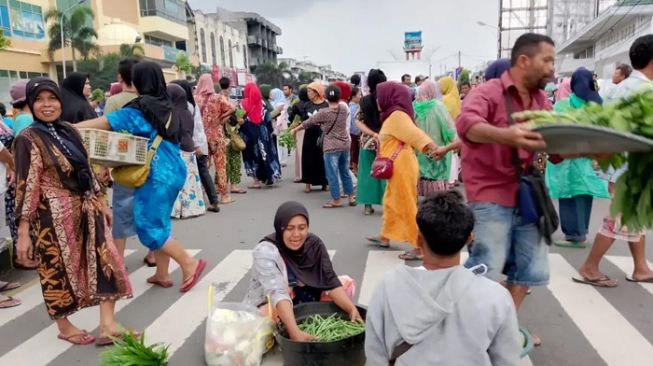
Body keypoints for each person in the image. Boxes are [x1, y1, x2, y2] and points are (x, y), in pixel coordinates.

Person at [15, 77, 133, 346]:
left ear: (61, 101)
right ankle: (65, 326)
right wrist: (23, 232)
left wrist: (101, 202)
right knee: (55, 270)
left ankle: (108, 325)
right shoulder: (28, 138)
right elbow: (28, 184)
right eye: (40, 100)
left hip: (87, 207)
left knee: (108, 261)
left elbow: (87, 168)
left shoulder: (69, 130)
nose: (47, 105)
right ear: (31, 105)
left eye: (52, 99)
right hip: (51, 218)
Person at [457, 33, 556, 345]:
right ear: (524, 61)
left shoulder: (541, 101)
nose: (553, 69)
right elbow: (468, 125)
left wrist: (592, 148)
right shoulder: (486, 93)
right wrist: (506, 135)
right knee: (487, 264)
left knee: (530, 267)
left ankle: (501, 327)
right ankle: (464, 330)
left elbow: (555, 142)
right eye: (548, 60)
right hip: (490, 192)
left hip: (527, 193)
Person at [76, 61, 207, 293]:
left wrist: (68, 127)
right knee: (161, 223)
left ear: (137, 81)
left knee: (147, 226)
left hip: (154, 175)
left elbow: (104, 123)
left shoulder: (139, 109)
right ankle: (162, 273)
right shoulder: (168, 106)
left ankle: (189, 263)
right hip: (175, 171)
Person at [365, 192, 520, 366]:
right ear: (469, 239)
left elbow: (375, 353)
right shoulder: (496, 297)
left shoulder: (389, 286)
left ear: (418, 239)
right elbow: (508, 359)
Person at [576, 35, 653, 287]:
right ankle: (590, 267)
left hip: (617, 164)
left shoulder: (615, 89)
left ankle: (641, 267)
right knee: (620, 217)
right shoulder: (646, 91)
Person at [243, 201, 361, 342]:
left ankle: (302, 322)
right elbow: (277, 293)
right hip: (276, 303)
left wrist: (350, 308)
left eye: (302, 228)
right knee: (265, 322)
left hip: (305, 298)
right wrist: (294, 332)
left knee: (345, 284)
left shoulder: (313, 244)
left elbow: (329, 280)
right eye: (289, 228)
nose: (296, 235)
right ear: (280, 229)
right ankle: (291, 326)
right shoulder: (265, 251)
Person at [366, 81, 440, 260]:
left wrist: (434, 148)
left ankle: (419, 247)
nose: (377, 99)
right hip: (397, 166)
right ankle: (385, 236)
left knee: (406, 205)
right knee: (391, 201)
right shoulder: (393, 115)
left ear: (390, 97)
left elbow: (416, 135)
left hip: (402, 167)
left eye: (380, 96)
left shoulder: (397, 116)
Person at [546, 67, 610, 249]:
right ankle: (581, 232)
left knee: (568, 196)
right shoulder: (597, 104)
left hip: (567, 158)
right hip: (587, 159)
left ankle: (573, 235)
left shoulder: (563, 105)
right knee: (583, 195)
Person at [291, 85, 355, 208]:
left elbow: (307, 123)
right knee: (345, 172)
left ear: (326, 96)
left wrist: (295, 129)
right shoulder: (343, 108)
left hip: (330, 146)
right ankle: (351, 197)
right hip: (344, 144)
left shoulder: (323, 113)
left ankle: (336, 200)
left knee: (332, 174)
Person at [413, 80, 460, 196]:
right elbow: (450, 129)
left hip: (419, 153)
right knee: (437, 192)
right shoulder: (438, 106)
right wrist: (455, 143)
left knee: (420, 180)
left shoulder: (413, 107)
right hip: (439, 151)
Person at [195, 74, 235, 204]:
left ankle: (202, 195)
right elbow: (232, 108)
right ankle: (224, 196)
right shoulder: (218, 98)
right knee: (221, 165)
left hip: (201, 137)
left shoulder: (196, 98)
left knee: (203, 168)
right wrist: (222, 119)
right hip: (217, 134)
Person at [168, 83, 206, 219]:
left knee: (179, 181)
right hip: (189, 148)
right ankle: (193, 208)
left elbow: (174, 133)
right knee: (190, 180)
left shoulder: (173, 114)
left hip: (179, 149)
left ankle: (178, 210)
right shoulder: (187, 111)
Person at [355, 69, 387, 216]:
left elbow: (358, 121)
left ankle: (368, 206)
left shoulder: (364, 101)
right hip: (387, 141)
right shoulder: (388, 99)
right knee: (388, 172)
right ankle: (388, 204)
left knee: (367, 173)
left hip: (368, 142)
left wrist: (372, 134)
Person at [240, 82, 282, 188]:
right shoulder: (262, 103)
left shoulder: (243, 103)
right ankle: (269, 176)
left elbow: (239, 119)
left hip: (248, 135)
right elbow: (268, 119)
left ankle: (256, 181)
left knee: (251, 156)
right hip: (263, 133)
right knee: (265, 154)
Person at [218, 77, 246, 195]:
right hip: (227, 134)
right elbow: (220, 119)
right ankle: (232, 185)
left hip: (224, 134)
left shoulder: (217, 99)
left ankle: (219, 186)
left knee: (223, 161)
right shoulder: (224, 101)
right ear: (229, 86)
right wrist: (231, 117)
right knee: (229, 160)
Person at [300, 82, 329, 193]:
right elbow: (304, 120)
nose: (308, 93)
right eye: (307, 91)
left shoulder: (325, 105)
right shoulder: (307, 105)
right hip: (309, 135)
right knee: (308, 158)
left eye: (310, 91)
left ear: (317, 92)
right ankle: (308, 183)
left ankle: (324, 183)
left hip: (322, 135)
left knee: (321, 158)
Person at [288, 85, 309, 183]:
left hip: (299, 129)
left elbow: (291, 118)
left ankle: (300, 175)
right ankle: (308, 174)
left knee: (299, 152)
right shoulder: (311, 104)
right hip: (310, 129)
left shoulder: (297, 105)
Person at [269, 88, 289, 167]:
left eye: (272, 94)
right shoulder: (275, 102)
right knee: (279, 143)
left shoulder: (281, 103)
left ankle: (283, 160)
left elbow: (281, 115)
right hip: (277, 125)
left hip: (281, 125)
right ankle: (280, 159)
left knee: (283, 143)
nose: (271, 95)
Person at [349, 86, 362, 173]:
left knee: (354, 150)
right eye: (359, 95)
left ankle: (353, 166)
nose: (360, 96)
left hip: (354, 132)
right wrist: (359, 132)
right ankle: (354, 168)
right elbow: (354, 122)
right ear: (353, 97)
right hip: (354, 132)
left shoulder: (356, 105)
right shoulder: (353, 107)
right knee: (355, 151)